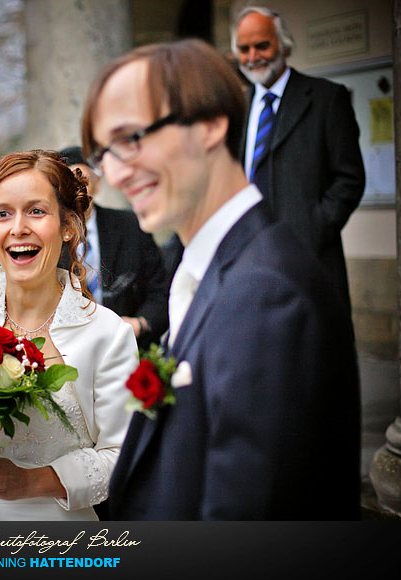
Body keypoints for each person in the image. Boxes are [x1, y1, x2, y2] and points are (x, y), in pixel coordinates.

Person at [81, 40, 360, 519]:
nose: (115, 171)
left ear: (210, 124)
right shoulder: (213, 266)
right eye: (104, 152)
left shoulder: (267, 292)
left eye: (130, 139)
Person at [0, 150, 138, 521]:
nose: (18, 228)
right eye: (3, 213)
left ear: (69, 225)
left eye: (37, 211)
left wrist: (37, 481)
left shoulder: (108, 334)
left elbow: (123, 457)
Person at [232, 6, 365, 311]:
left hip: (310, 256)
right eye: (244, 49)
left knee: (315, 350)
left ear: (283, 44)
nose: (253, 56)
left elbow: (350, 178)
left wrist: (314, 226)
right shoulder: (235, 107)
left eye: (262, 45)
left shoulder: (326, 98)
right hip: (248, 254)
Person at [58, 146, 169, 349]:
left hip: (131, 349)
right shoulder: (47, 239)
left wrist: (140, 324)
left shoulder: (132, 227)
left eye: (84, 182)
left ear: (98, 184)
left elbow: (161, 291)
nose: (76, 191)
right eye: (67, 184)